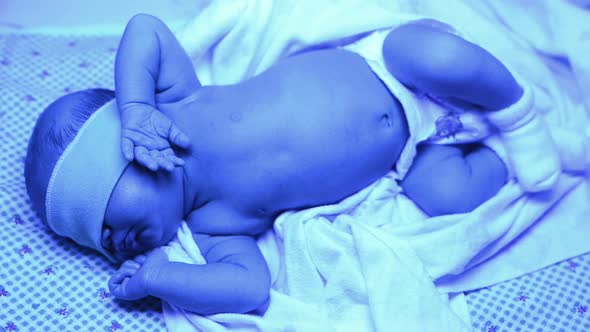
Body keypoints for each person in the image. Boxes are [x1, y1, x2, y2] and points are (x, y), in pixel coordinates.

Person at [25, 13, 553, 315]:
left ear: (126, 148)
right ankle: (499, 154)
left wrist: (137, 105)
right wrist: (163, 277)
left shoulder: (180, 104)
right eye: (97, 243)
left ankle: (521, 115)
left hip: (392, 69)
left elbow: (145, 28)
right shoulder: (215, 225)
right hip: (413, 155)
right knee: (444, 197)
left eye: (103, 219)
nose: (112, 243)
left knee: (433, 54)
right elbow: (250, 290)